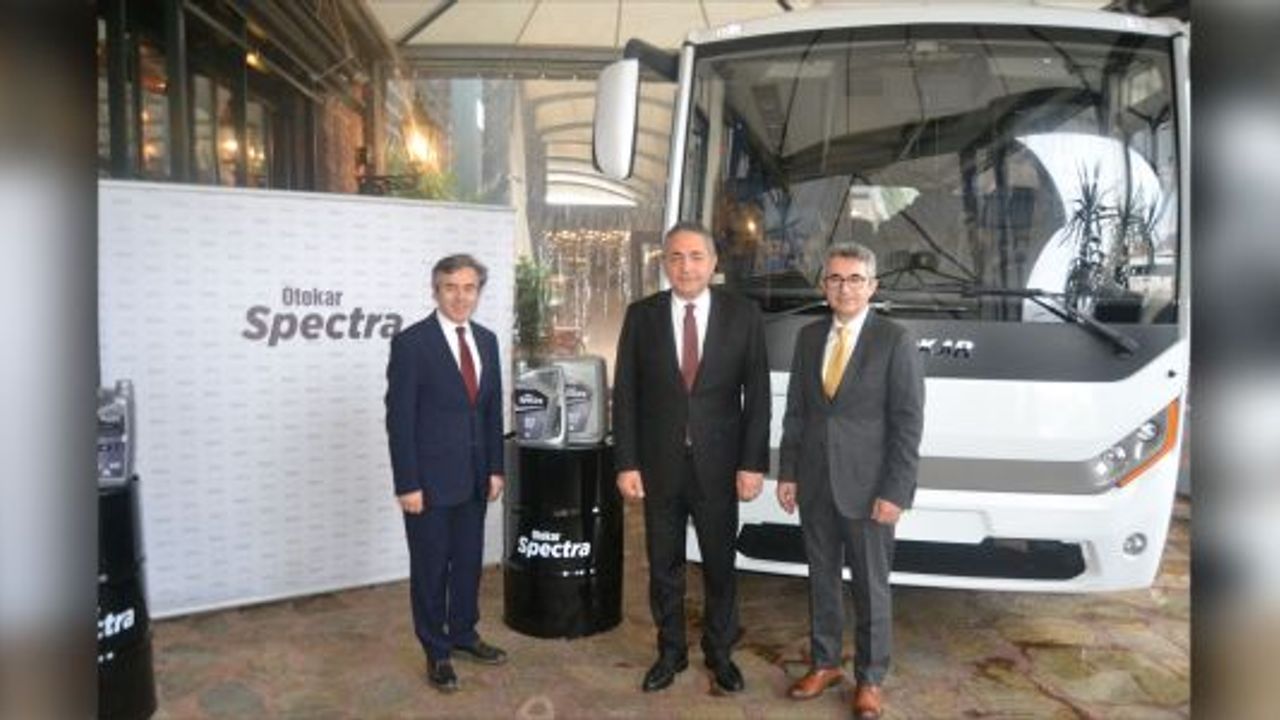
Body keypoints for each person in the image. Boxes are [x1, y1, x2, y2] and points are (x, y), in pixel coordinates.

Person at [612, 222, 771, 694]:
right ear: (664, 263)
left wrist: (752, 464)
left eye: (696, 256)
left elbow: (757, 397)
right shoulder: (641, 316)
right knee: (664, 566)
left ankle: (720, 654)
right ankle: (670, 652)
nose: (686, 267)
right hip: (658, 466)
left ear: (714, 263)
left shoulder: (743, 315)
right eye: (676, 257)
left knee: (720, 565)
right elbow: (626, 395)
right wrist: (626, 462)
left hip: (720, 468)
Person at [776, 242, 924, 719]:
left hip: (869, 489)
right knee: (821, 579)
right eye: (836, 279)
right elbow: (797, 412)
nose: (845, 288)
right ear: (824, 286)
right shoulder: (808, 337)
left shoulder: (895, 340)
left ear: (872, 286)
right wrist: (788, 472)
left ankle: (870, 678)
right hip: (816, 483)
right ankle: (825, 664)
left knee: (870, 587)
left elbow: (907, 424)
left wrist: (895, 492)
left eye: (855, 279)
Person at [385, 254, 507, 693]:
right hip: (428, 484)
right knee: (431, 569)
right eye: (450, 287)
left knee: (469, 563)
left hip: (475, 479)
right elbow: (399, 420)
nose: (460, 297)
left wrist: (496, 468)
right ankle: (436, 650)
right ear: (435, 291)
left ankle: (463, 634)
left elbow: (491, 411)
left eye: (469, 288)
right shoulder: (412, 344)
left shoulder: (488, 340)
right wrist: (407, 483)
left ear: (478, 292)